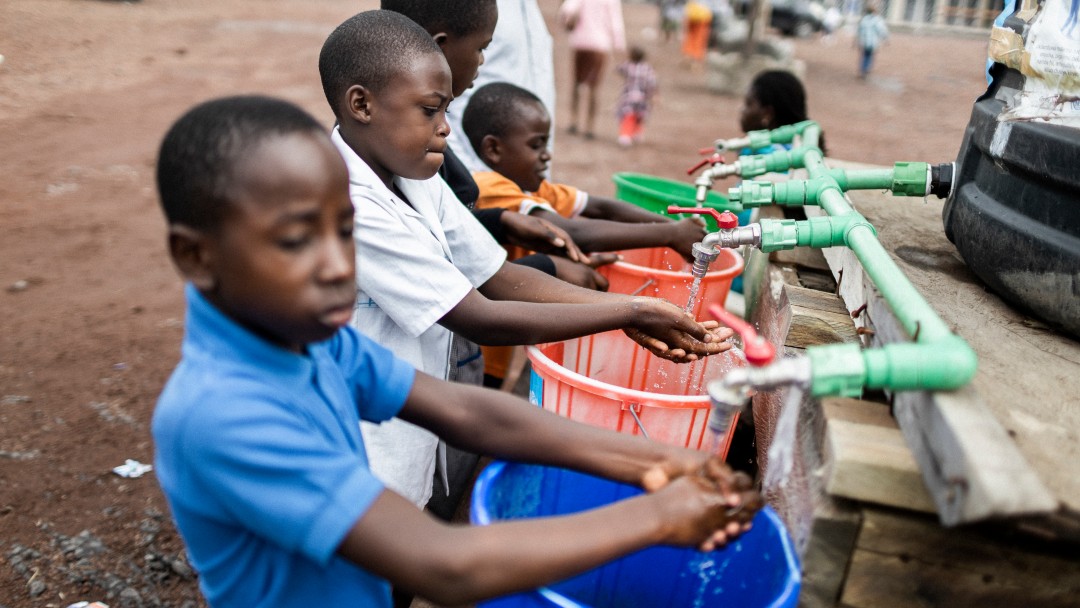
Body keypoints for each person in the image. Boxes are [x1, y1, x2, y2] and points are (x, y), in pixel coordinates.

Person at [151, 94, 762, 608]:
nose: (340, 266)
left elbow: (469, 412)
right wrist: (660, 516)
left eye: (344, 230)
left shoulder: (306, 339)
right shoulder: (221, 414)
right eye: (293, 241)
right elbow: (444, 566)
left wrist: (654, 462)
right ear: (196, 257)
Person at [319, 10, 733, 513]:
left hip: (410, 427)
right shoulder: (351, 204)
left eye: (446, 110)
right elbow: (479, 316)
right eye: (430, 110)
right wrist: (630, 313)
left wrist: (630, 306)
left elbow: (497, 275)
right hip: (361, 446)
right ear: (361, 103)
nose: (446, 129)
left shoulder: (412, 177)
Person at [462, 81, 709, 387]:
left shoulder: (534, 188)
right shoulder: (489, 187)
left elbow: (601, 207)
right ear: (494, 149)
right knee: (484, 395)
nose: (546, 156)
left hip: (501, 330)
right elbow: (576, 232)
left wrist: (674, 229)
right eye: (535, 145)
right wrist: (671, 234)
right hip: (479, 338)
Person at [559, 0, 626, 139]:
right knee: (594, 87)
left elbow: (567, 9)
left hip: (580, 42)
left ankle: (574, 121)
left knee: (577, 84)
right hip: (600, 45)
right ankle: (590, 127)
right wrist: (619, 44)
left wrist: (566, 23)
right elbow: (615, 21)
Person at [739, 69, 827, 155]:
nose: (742, 109)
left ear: (767, 113)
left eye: (748, 104)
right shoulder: (809, 148)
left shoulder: (755, 151)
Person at [615, 45, 658, 147]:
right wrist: (654, 95)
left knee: (628, 116)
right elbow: (652, 82)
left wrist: (621, 58)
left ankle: (625, 135)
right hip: (643, 98)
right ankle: (637, 133)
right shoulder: (648, 68)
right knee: (639, 116)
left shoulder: (628, 66)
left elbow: (618, 69)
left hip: (629, 97)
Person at [856, 4, 888, 79]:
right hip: (872, 42)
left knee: (864, 55)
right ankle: (866, 69)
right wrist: (885, 38)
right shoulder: (877, 20)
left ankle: (862, 69)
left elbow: (859, 31)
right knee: (870, 56)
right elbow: (881, 30)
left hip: (864, 41)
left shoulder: (863, 20)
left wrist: (858, 40)